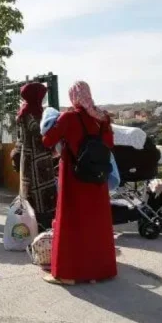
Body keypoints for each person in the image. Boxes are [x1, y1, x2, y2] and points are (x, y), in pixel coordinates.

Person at [42, 81, 117, 285]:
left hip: (74, 178)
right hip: (97, 178)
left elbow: (48, 140)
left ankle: (68, 274)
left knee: (71, 224)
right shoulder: (102, 118)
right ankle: (99, 271)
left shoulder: (69, 117)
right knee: (96, 224)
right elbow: (109, 143)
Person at [15, 82, 57, 231]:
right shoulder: (29, 114)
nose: (44, 98)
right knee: (37, 193)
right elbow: (38, 134)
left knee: (42, 193)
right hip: (34, 161)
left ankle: (42, 226)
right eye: (42, 95)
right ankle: (39, 227)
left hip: (39, 159)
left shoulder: (30, 111)